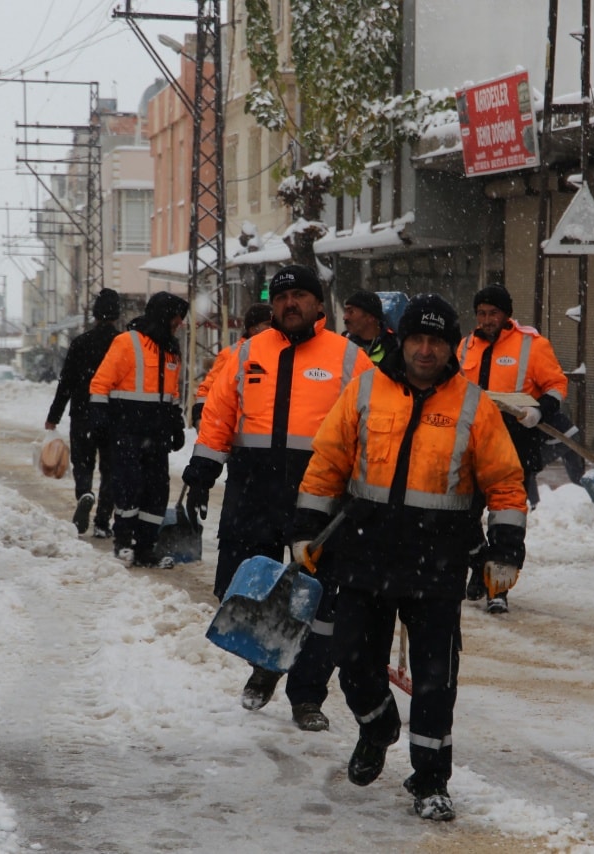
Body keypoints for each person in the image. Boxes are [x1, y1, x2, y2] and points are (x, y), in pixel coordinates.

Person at [291, 293, 527, 821]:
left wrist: (506, 549)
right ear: (402, 340)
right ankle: (377, 725)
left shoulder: (474, 406)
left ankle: (430, 780)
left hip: (438, 562)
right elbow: (328, 461)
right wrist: (307, 528)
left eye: (436, 341)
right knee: (352, 660)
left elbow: (506, 484)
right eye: (417, 338)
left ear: (451, 347)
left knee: (435, 680)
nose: (425, 350)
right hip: (365, 552)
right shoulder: (365, 390)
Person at [182, 264, 374, 731]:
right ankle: (265, 664)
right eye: (282, 297)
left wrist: (370, 486)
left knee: (319, 598)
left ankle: (307, 695)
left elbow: (373, 423)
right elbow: (220, 416)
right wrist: (201, 473)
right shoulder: (247, 352)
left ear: (318, 303)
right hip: (254, 489)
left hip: (319, 493)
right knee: (248, 587)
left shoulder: (349, 358)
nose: (290, 304)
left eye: (300, 296)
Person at [457, 284, 567, 613]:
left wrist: (539, 411)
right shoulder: (465, 346)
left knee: (507, 523)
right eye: (481, 313)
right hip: (470, 446)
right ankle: (479, 564)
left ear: (506, 315)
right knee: (460, 517)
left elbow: (557, 385)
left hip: (515, 446)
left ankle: (498, 589)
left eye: (493, 313)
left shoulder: (532, 345)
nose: (486, 319)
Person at [89, 291, 189, 568]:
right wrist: (99, 420)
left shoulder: (171, 350)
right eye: (176, 317)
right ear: (163, 315)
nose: (179, 323)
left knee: (157, 491)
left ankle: (146, 547)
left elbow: (172, 394)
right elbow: (100, 384)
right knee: (129, 487)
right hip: (128, 431)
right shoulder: (127, 342)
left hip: (157, 435)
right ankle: (123, 543)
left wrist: (177, 425)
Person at [46, 288, 122, 537]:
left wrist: (54, 416)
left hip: (82, 413)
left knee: (83, 463)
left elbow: (66, 383)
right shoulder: (123, 344)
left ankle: (85, 493)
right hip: (113, 415)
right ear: (117, 314)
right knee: (111, 469)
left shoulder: (80, 343)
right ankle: (102, 522)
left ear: (95, 314)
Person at [190, 302, 272, 430]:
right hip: (237, 431)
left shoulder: (277, 353)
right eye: (268, 324)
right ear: (253, 329)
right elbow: (208, 389)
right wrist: (200, 417)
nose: (273, 328)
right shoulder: (231, 354)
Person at [526, 407, 586, 505]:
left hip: (560, 437)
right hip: (571, 432)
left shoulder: (527, 411)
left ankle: (534, 506)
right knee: (578, 477)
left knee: (528, 470)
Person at [342, 289, 397, 364]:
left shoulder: (393, 346)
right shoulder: (343, 342)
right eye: (345, 312)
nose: (344, 317)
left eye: (351, 312)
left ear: (370, 317)